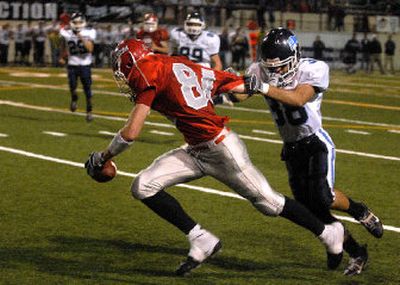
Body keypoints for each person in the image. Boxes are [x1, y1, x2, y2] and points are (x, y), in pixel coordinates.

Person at [85, 38, 345, 276]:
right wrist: (246, 83)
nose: (125, 78)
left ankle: (328, 232)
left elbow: (131, 133)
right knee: (143, 186)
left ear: (133, 64)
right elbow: (226, 81)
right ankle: (201, 239)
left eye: (124, 70)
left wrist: (103, 157)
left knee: (270, 204)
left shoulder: (147, 72)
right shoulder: (176, 63)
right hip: (196, 149)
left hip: (221, 150)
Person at [243, 28, 383, 276]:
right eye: (271, 68)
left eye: (281, 67)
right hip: (291, 148)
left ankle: (359, 210)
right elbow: (239, 95)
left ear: (295, 57)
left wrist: (262, 87)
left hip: (316, 143)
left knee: (323, 196)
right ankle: (356, 251)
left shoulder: (313, 68)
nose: (276, 72)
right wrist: (227, 83)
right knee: (312, 210)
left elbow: (298, 99)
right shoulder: (260, 70)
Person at [59, 12, 96, 122]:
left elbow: (90, 49)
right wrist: (62, 56)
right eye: (75, 22)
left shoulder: (89, 32)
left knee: (87, 90)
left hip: (85, 65)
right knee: (72, 86)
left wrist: (79, 36)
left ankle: (89, 111)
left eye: (80, 22)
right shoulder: (66, 32)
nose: (78, 24)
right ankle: (74, 98)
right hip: (72, 64)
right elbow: (63, 45)